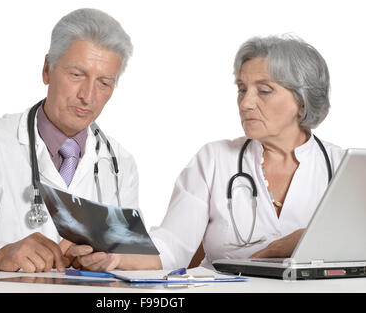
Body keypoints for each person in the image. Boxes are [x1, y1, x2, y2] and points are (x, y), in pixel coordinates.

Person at [69, 34, 345, 271]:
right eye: (241, 89)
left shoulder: (342, 166)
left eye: (264, 90)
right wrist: (114, 252)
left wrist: (299, 242)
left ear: (302, 100)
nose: (246, 103)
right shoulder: (215, 159)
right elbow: (173, 245)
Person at [0, 8, 140, 273]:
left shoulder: (119, 163)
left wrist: (111, 259)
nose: (88, 96)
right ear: (47, 69)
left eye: (104, 82)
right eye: (77, 75)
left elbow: (133, 253)